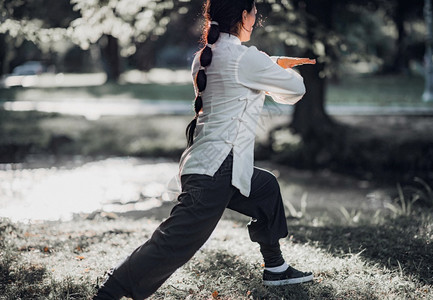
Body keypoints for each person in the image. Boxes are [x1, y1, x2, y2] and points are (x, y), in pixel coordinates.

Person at [93, 0, 315, 299]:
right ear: (243, 16)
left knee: (265, 189)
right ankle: (109, 292)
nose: (256, 17)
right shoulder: (246, 58)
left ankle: (276, 268)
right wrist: (272, 65)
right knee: (174, 242)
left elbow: (244, 79)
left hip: (211, 163)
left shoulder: (205, 56)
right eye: (254, 12)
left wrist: (269, 64)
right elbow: (296, 90)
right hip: (216, 170)